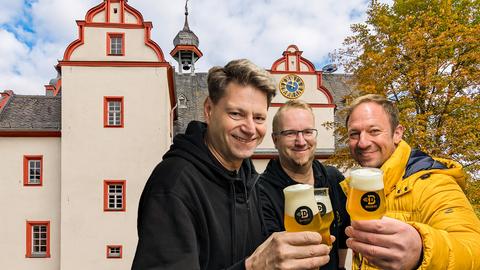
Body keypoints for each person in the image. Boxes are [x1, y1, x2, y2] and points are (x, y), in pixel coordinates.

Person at [132, 59, 332, 270]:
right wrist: (253, 267)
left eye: (258, 117)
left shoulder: (248, 177)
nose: (250, 128)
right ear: (209, 110)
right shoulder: (173, 184)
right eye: (236, 114)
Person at [342, 94, 480, 269]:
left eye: (374, 131)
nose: (362, 143)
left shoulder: (433, 182)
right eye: (354, 134)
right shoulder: (360, 188)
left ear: (397, 133)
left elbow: (474, 250)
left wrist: (422, 251)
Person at [259, 99, 350, 270]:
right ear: (275, 139)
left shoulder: (333, 178)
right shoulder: (259, 192)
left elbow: (344, 231)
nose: (301, 141)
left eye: (308, 132)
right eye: (290, 133)